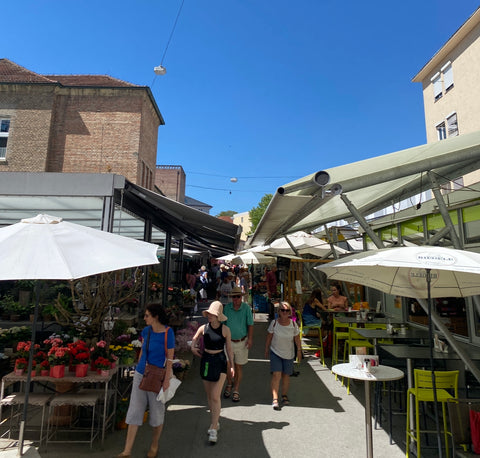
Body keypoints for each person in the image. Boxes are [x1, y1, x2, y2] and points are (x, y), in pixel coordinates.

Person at [117, 303, 175, 458]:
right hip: (141, 373)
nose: (144, 318)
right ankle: (127, 450)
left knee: (156, 413)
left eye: (147, 315)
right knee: (134, 410)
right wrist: (139, 366)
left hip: (158, 377)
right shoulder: (146, 331)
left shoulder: (168, 333)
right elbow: (143, 349)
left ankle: (154, 444)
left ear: (155, 316)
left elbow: (170, 357)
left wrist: (167, 378)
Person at [190, 301, 234, 444]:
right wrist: (193, 348)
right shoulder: (203, 328)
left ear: (218, 316)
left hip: (220, 360)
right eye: (209, 314)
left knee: (215, 395)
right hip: (207, 360)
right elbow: (193, 340)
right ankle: (214, 421)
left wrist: (231, 365)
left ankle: (214, 428)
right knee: (209, 396)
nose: (209, 316)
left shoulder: (225, 330)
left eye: (213, 314)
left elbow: (229, 349)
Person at [265, 301, 302, 410]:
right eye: (282, 310)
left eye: (287, 310)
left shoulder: (293, 324)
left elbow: (297, 339)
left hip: (289, 354)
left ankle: (284, 395)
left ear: (290, 312)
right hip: (275, 352)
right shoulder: (274, 323)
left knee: (286, 376)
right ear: (279, 311)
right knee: (277, 375)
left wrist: (299, 351)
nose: (285, 312)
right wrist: (266, 349)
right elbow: (269, 337)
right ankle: (275, 398)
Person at [222, 286, 254, 403]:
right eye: (234, 297)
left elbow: (250, 324)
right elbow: (223, 324)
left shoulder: (246, 308)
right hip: (229, 341)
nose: (236, 299)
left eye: (238, 296)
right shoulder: (227, 308)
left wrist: (250, 339)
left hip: (242, 341)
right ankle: (229, 384)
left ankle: (236, 389)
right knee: (228, 365)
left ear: (241, 297)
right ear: (231, 298)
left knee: (238, 366)